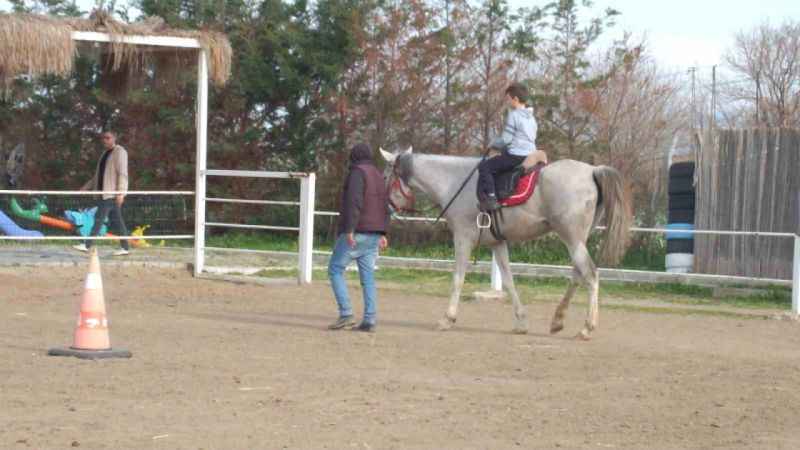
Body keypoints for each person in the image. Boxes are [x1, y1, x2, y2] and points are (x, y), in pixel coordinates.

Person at [327, 143, 390, 333]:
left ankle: (346, 314)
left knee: (335, 269)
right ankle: (369, 320)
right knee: (368, 277)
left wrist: (349, 229)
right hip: (374, 234)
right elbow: (386, 205)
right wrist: (384, 232)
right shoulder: (379, 176)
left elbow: (354, 202)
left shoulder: (357, 173)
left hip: (358, 230)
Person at [477, 82, 546, 211]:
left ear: (515, 99)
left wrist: (492, 145)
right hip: (530, 154)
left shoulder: (514, 115)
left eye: (508, 98)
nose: (507, 101)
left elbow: (506, 139)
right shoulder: (531, 118)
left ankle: (491, 199)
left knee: (484, 166)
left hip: (516, 155)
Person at [73, 131, 130, 256]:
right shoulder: (104, 154)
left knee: (98, 219)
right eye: (103, 138)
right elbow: (97, 177)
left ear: (114, 138)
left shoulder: (120, 152)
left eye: (108, 138)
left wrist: (121, 193)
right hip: (103, 194)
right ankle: (125, 247)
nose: (105, 140)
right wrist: (85, 188)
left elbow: (123, 174)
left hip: (110, 194)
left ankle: (87, 245)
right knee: (118, 221)